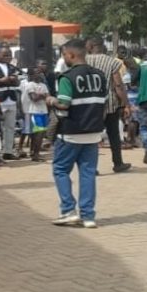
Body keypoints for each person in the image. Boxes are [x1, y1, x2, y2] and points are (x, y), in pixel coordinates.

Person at [48, 39, 107, 229]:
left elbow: (64, 104)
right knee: (88, 174)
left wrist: (50, 100)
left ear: (71, 55)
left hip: (71, 132)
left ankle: (68, 211)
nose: (63, 58)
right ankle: (88, 216)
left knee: (60, 169)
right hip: (93, 132)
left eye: (64, 54)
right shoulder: (99, 76)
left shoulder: (67, 77)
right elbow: (103, 104)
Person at [85, 36, 131, 173]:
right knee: (113, 134)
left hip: (89, 103)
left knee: (92, 136)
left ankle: (91, 167)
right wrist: (126, 104)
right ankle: (118, 163)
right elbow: (118, 85)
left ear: (91, 46)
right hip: (109, 103)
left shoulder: (84, 61)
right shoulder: (112, 62)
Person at [19, 66, 50, 162]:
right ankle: (35, 154)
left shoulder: (43, 85)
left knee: (41, 133)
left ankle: (35, 152)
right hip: (34, 111)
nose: (39, 74)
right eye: (36, 73)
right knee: (38, 133)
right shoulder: (30, 85)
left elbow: (48, 97)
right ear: (32, 75)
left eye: (40, 73)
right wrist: (42, 95)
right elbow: (34, 98)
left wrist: (40, 95)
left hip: (43, 110)